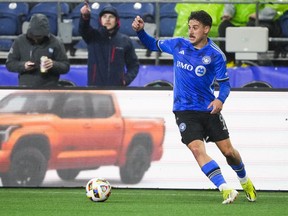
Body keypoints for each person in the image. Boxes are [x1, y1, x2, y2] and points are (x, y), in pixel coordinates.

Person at [132, 10, 257, 204]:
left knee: (229, 152)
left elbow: (224, 84)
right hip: (184, 110)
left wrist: (220, 100)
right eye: (190, 27)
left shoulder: (216, 55)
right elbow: (152, 44)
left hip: (208, 109)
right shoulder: (178, 44)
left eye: (195, 28)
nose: (191, 31)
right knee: (197, 149)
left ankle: (244, 180)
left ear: (206, 29)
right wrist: (141, 31)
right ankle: (225, 188)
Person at [79, 3, 139, 86]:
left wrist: (125, 80)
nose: (107, 19)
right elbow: (83, 28)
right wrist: (85, 16)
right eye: (104, 17)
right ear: (100, 20)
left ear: (116, 20)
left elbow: (134, 66)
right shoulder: (92, 36)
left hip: (117, 89)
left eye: (111, 17)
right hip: (94, 88)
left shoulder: (125, 40)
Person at [5, 13, 70, 87]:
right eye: (34, 35)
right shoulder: (19, 41)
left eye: (39, 36)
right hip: (26, 88)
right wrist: (23, 66)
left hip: (49, 89)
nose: (36, 38)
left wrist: (53, 64)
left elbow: (66, 66)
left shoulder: (56, 42)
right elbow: (10, 64)